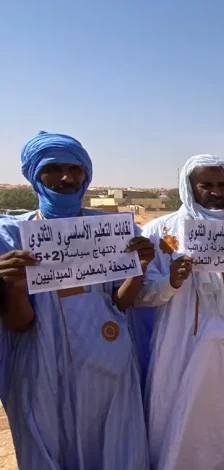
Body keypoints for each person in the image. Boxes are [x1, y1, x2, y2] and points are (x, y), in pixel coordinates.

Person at [0, 132, 153, 468]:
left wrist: (138, 270)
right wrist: (11, 286)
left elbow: (120, 303)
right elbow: (19, 324)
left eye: (75, 169)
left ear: (87, 175)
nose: (66, 178)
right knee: (47, 448)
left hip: (108, 361)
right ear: (34, 175)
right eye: (53, 169)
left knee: (115, 448)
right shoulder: (11, 236)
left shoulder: (113, 230)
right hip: (41, 365)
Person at [138, 154, 224, 470]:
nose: (215, 192)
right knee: (184, 420)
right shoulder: (160, 232)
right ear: (190, 188)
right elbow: (141, 294)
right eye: (206, 185)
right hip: (184, 345)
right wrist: (169, 282)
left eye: (221, 185)